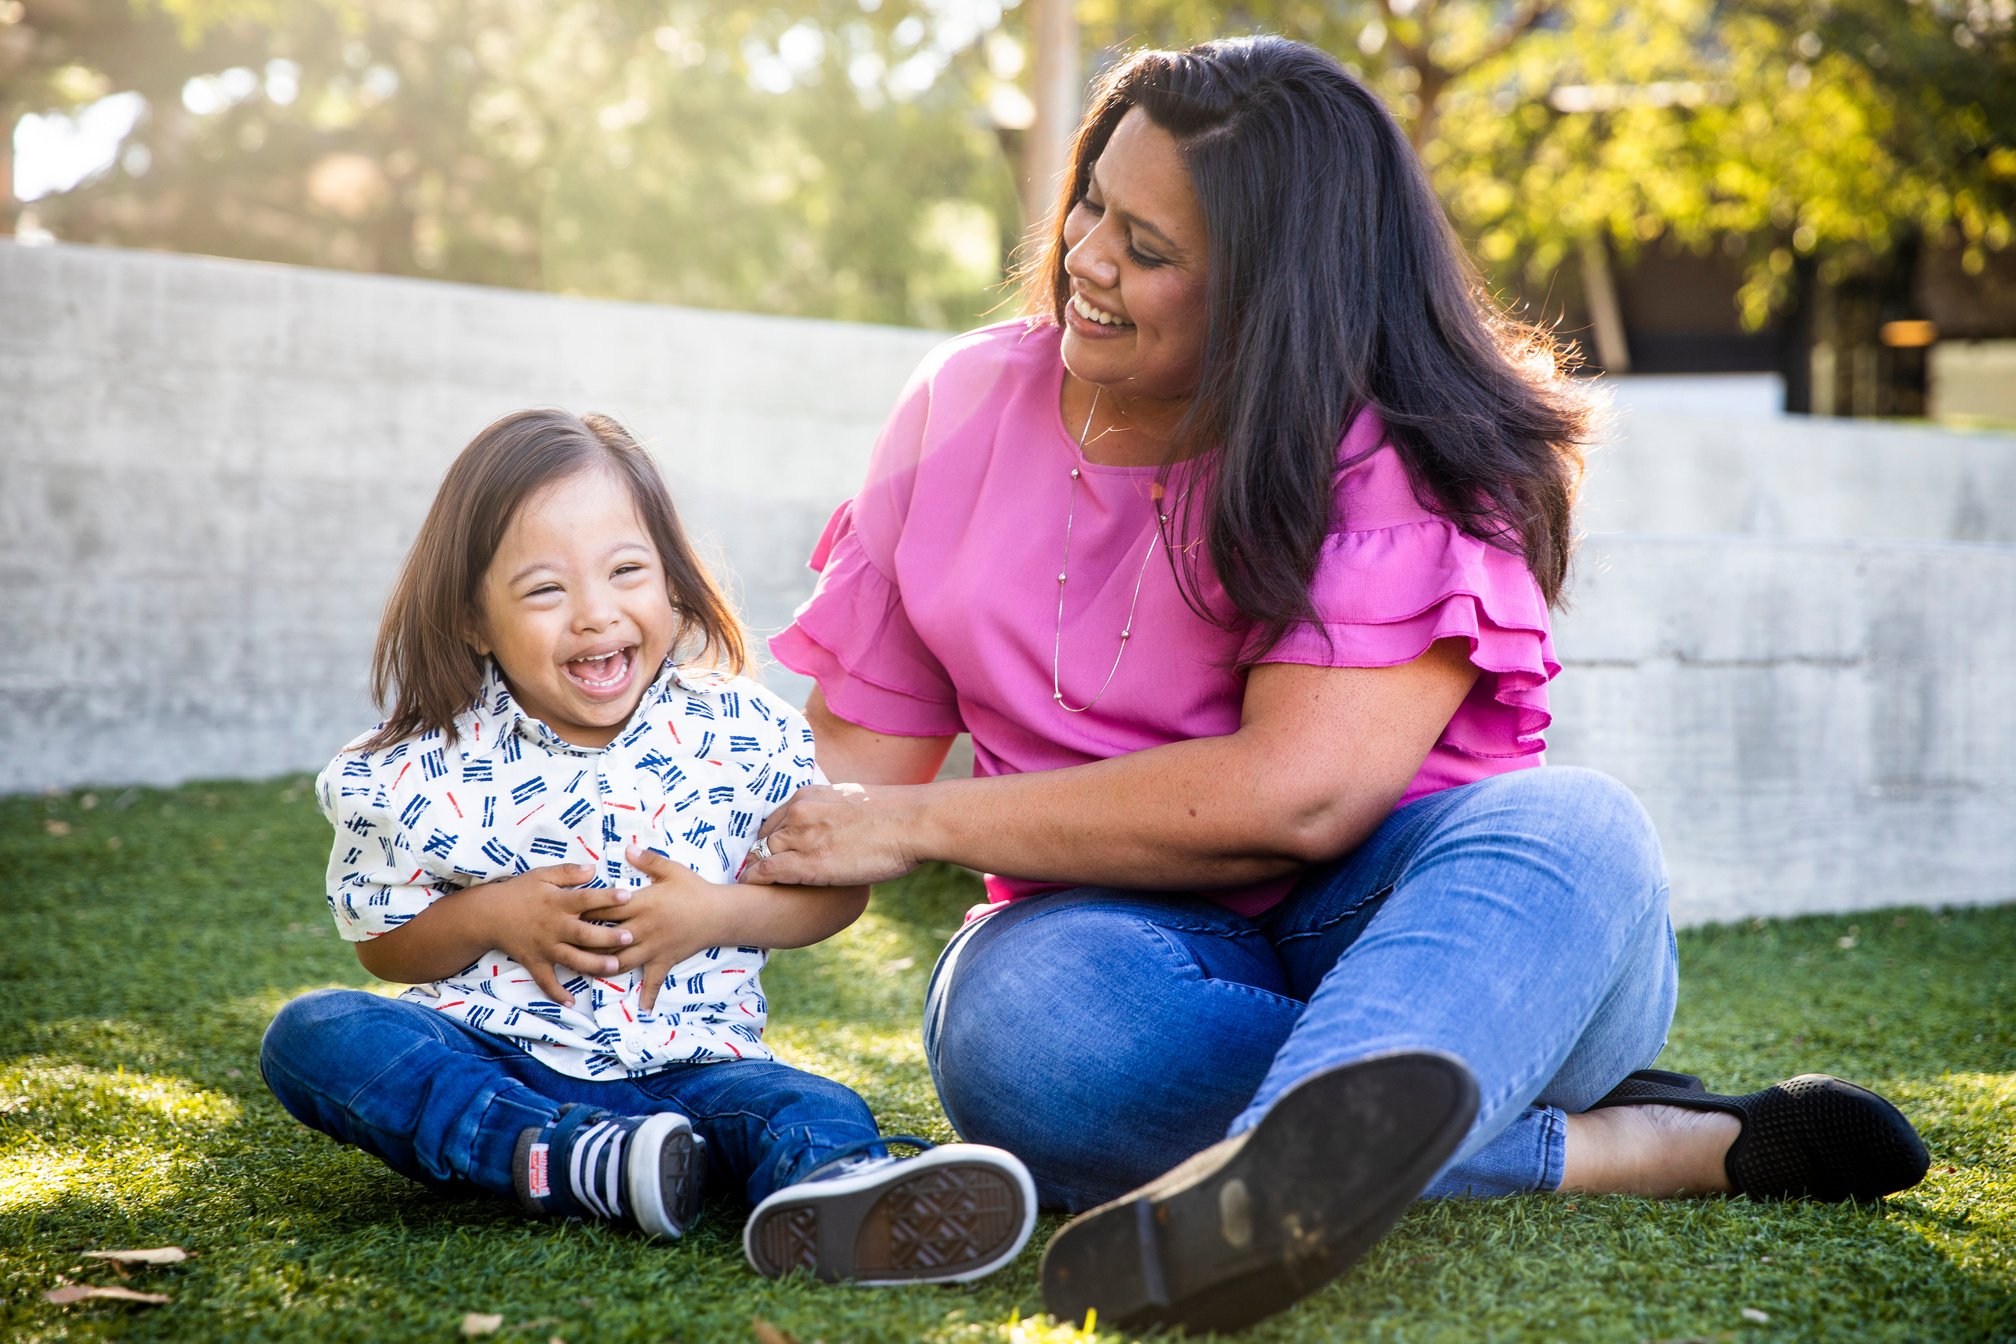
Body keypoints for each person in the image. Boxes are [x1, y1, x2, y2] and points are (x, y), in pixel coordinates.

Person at [745, 37, 1930, 1333]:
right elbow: (840, 794)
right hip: (1125, 950)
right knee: (1010, 1024)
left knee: (1579, 831)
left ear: (1274, 288)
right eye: (1092, 199)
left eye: (1147, 248)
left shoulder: (1406, 442)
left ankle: (1278, 1164)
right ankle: (1613, 1149)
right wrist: (632, 885)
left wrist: (918, 825)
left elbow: (1295, 799)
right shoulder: (964, 407)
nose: (1084, 257)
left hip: (1443, 937)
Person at [259, 409, 1036, 1286]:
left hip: (701, 1073)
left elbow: (833, 891)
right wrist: (491, 916)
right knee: (315, 1035)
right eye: (545, 590)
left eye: (627, 572)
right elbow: (385, 940)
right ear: (474, 620)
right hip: (501, 1061)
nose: (596, 614)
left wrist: (716, 912)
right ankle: (570, 1157)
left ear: (672, 584)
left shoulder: (740, 733)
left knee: (807, 1106)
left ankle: (845, 1195)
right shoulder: (421, 768)